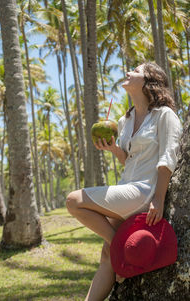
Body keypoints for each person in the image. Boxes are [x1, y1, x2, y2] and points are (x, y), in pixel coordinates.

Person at [66, 62, 182, 301]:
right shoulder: (124, 121)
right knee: (107, 256)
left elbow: (167, 158)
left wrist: (158, 199)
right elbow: (130, 160)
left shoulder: (164, 115)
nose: (128, 72)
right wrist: (114, 150)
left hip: (144, 192)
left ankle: (120, 247)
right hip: (125, 188)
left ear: (150, 82)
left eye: (136, 71)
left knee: (73, 201)